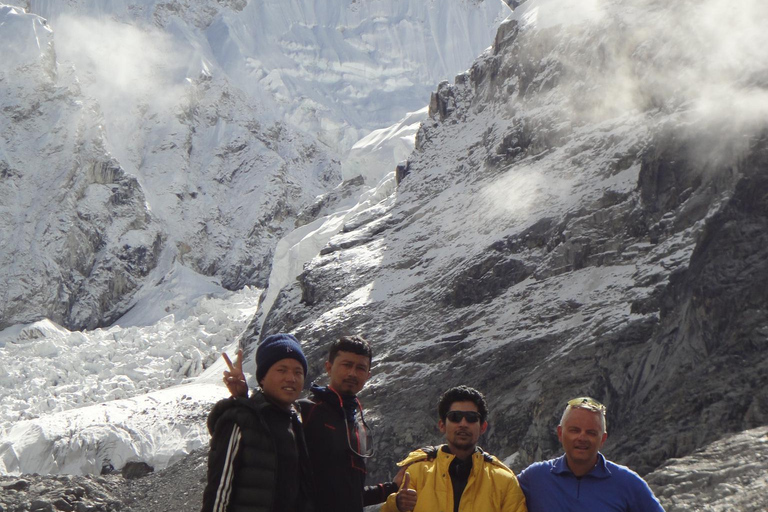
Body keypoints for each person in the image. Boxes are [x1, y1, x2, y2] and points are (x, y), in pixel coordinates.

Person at [223, 335, 401, 512]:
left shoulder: (359, 427)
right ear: (328, 367)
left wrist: (391, 490)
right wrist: (243, 397)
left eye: (360, 368)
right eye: (346, 365)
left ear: (368, 374)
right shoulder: (304, 411)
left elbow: (349, 495)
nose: (352, 373)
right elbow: (266, 423)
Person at [201, 333, 313, 512]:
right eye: (281, 370)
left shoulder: (295, 421)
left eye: (298, 372)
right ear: (262, 378)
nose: (291, 378)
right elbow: (219, 491)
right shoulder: (240, 420)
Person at [381, 385, 527, 512]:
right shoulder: (416, 474)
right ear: (442, 425)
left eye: (471, 417)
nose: (463, 423)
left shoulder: (504, 481)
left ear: (483, 427)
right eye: (455, 417)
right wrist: (397, 505)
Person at [517, 397, 665, 512]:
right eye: (575, 430)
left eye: (591, 433)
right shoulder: (535, 478)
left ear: (603, 439)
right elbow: (498, 493)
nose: (582, 438)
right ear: (560, 433)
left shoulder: (628, 483)